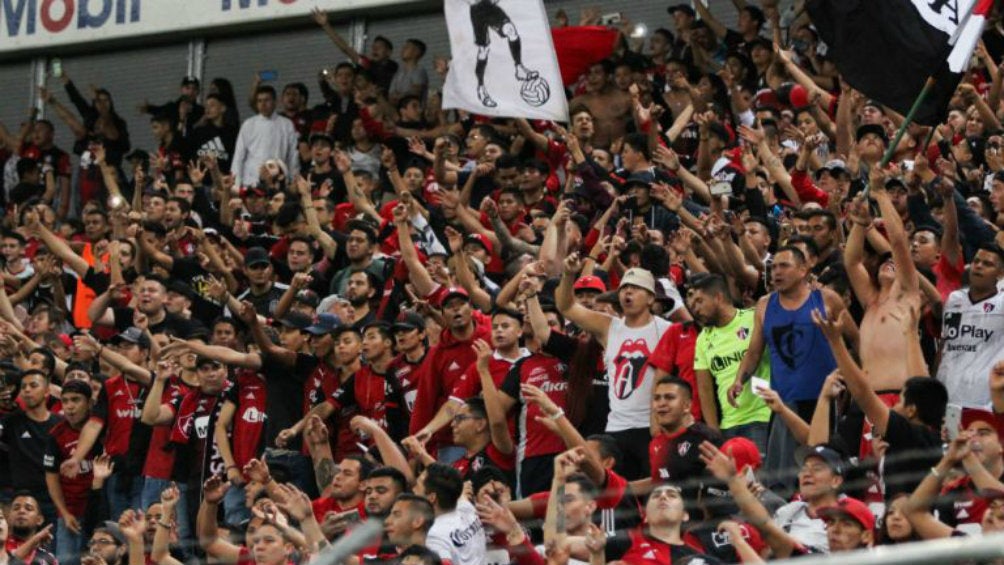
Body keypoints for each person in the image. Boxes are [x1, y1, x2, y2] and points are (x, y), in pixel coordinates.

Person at [557, 257, 670, 480]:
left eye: (635, 288)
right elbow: (566, 306)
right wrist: (568, 275)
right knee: (615, 499)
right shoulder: (608, 326)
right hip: (616, 428)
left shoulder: (668, 330)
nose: (627, 293)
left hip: (651, 427)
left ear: (650, 298)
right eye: (624, 288)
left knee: (652, 492)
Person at [232, 86, 299, 189]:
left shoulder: (286, 124)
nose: (263, 104)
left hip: (278, 182)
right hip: (251, 182)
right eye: (259, 101)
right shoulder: (248, 124)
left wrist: (292, 180)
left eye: (266, 100)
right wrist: (236, 185)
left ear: (275, 102)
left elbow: (292, 156)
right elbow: (239, 157)